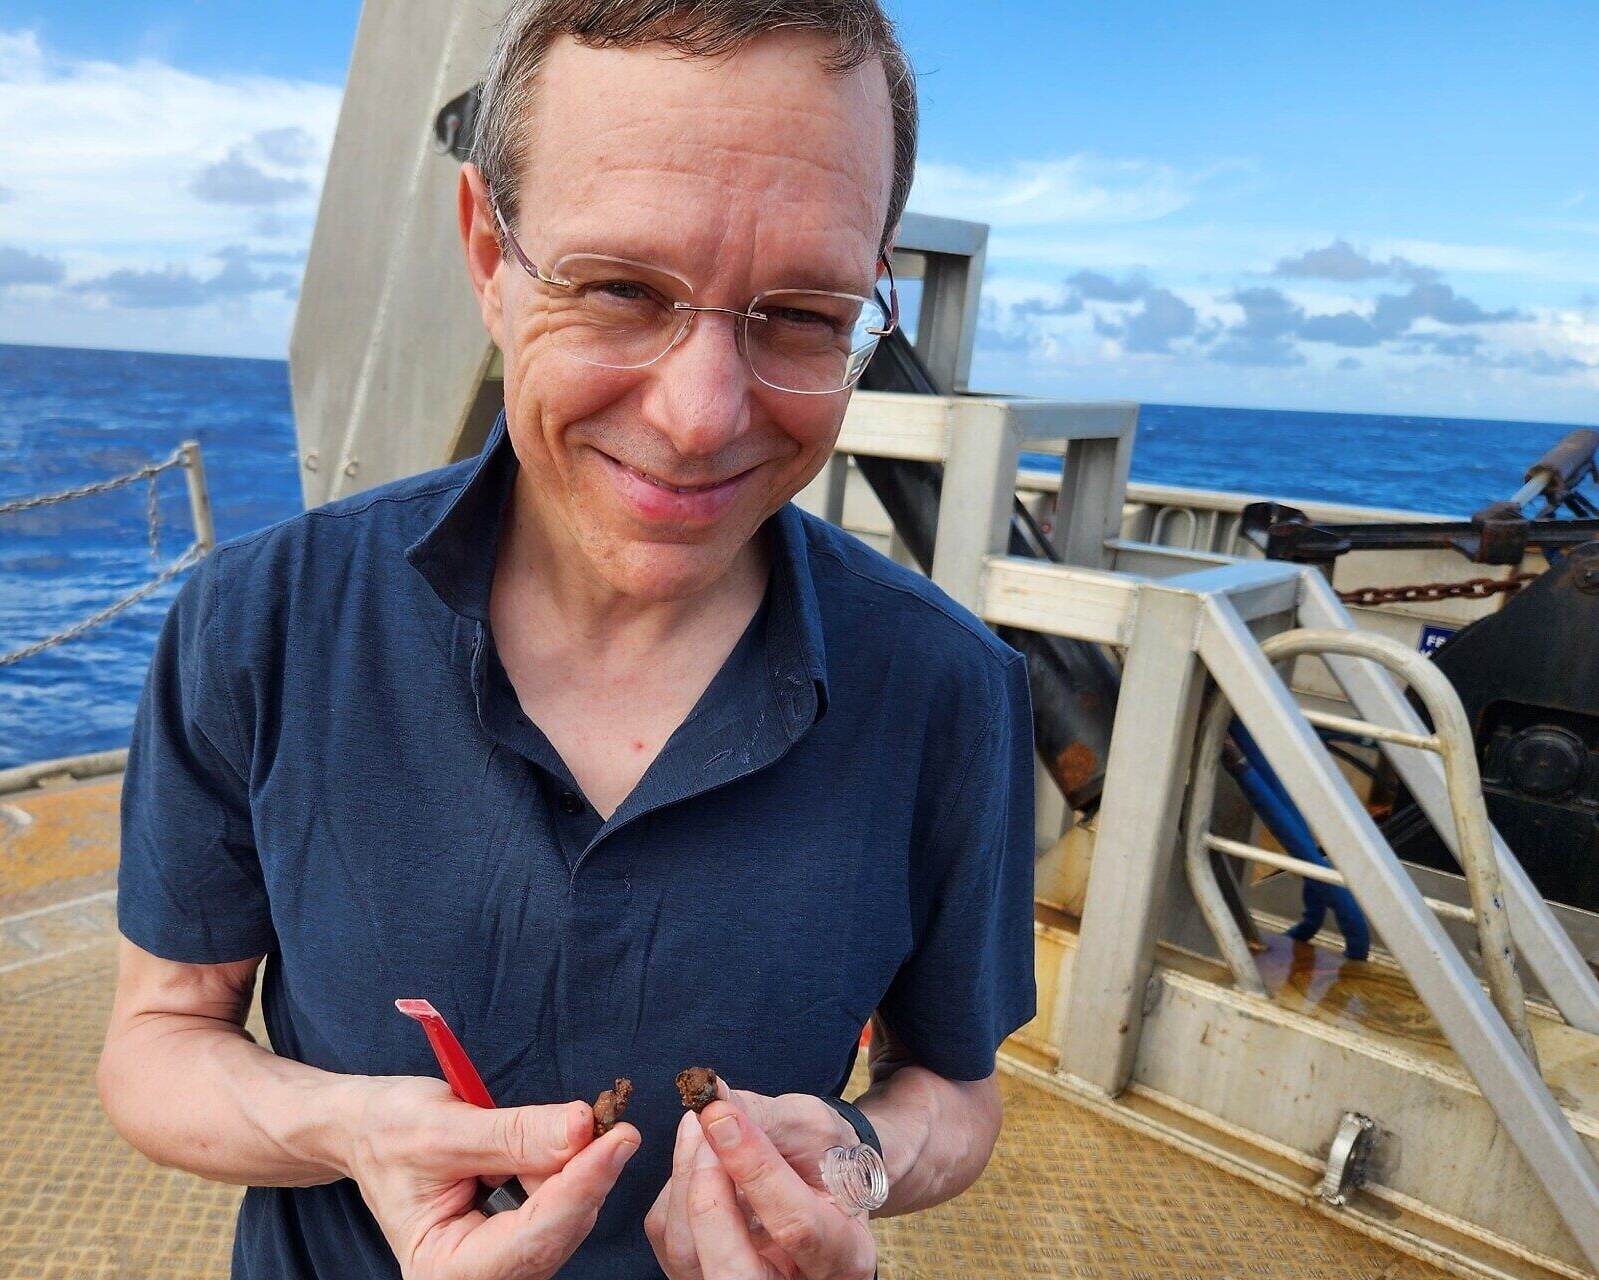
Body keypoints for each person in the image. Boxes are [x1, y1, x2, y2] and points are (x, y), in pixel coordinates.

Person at [97, 2, 1035, 1277]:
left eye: (803, 316)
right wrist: (353, 1125)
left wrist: (854, 1158)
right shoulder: (263, 622)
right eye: (617, 289)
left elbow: (955, 1090)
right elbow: (157, 1038)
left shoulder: (949, 688)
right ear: (488, 252)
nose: (702, 416)